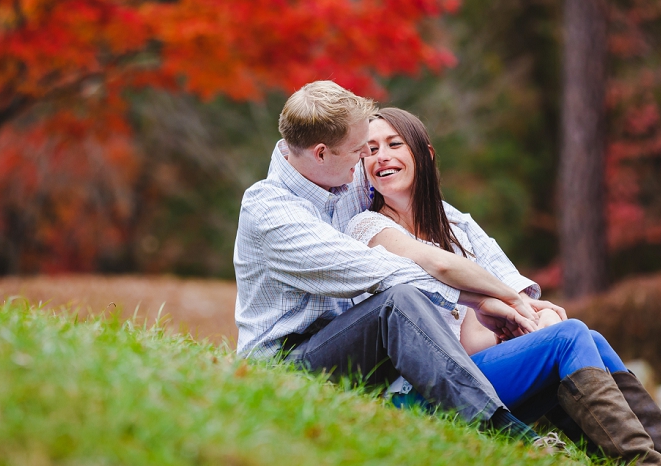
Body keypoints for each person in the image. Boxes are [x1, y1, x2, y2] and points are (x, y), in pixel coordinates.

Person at [344, 107, 661, 466]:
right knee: (569, 338)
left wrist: (536, 321)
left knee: (586, 338)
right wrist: (525, 315)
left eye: (393, 144)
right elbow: (443, 269)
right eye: (369, 150)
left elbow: (494, 311)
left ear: (425, 154)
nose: (380, 156)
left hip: (468, 377)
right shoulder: (367, 226)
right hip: (421, 392)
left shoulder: (454, 228)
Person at [234, 81, 561, 443]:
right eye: (360, 150)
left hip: (346, 344)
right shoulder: (271, 212)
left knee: (565, 341)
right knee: (398, 299)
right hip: (285, 366)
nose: (366, 160)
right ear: (321, 153)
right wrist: (480, 299)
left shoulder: (342, 178)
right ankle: (506, 432)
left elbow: (442, 216)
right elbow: (383, 271)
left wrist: (515, 293)